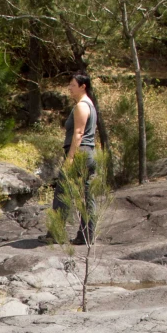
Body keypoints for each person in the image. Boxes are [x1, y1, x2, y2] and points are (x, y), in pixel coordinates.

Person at [60, 72, 100, 242]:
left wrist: (70, 158)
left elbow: (78, 133)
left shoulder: (81, 106)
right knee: (87, 195)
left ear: (83, 86)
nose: (69, 88)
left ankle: (56, 233)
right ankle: (87, 235)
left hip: (80, 152)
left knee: (62, 191)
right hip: (89, 152)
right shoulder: (90, 105)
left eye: (73, 85)